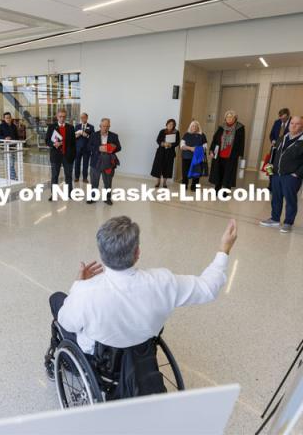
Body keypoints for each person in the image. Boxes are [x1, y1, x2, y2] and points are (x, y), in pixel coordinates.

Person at [46, 215, 237, 368]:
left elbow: (67, 322)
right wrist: (224, 248)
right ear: (137, 253)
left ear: (102, 255)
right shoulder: (162, 281)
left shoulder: (85, 292)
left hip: (101, 359)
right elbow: (208, 288)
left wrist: (78, 284)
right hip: (142, 351)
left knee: (57, 299)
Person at [260, 115, 303, 233]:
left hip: (291, 176)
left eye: (297, 124)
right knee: (276, 198)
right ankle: (275, 219)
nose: (293, 126)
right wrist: (270, 172)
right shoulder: (281, 138)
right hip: (276, 175)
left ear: (302, 126)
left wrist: (297, 174)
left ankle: (288, 222)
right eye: (292, 123)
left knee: (290, 200)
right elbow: (272, 155)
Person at [209, 110, 245, 191]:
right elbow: (215, 139)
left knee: (228, 174)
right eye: (227, 117)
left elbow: (241, 142)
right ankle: (217, 189)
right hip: (219, 154)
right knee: (219, 172)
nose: (229, 118)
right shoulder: (221, 127)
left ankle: (226, 190)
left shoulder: (239, 128)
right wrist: (211, 151)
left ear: (235, 118)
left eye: (231, 117)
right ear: (225, 118)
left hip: (231, 155)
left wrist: (240, 154)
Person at [87, 118, 121, 205]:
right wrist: (98, 148)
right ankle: (93, 197)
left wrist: (112, 148)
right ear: (100, 126)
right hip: (95, 162)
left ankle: (107, 198)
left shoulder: (114, 136)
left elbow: (119, 147)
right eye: (103, 126)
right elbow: (88, 147)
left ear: (109, 126)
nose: (105, 128)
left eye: (107, 126)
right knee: (94, 182)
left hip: (108, 162)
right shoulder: (94, 135)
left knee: (108, 182)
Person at [45, 108, 76, 200]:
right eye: (60, 116)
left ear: (65, 117)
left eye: (64, 116)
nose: (62, 118)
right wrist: (54, 144)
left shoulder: (70, 127)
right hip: (56, 156)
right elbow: (47, 141)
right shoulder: (51, 127)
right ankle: (53, 195)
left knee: (69, 176)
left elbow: (73, 143)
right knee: (54, 176)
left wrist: (73, 155)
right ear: (57, 117)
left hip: (68, 156)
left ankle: (70, 193)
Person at [151, 119, 180, 188]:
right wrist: (163, 143)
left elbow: (177, 142)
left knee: (167, 167)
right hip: (161, 151)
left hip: (170, 152)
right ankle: (158, 182)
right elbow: (158, 140)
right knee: (158, 167)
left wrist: (171, 145)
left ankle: (164, 183)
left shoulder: (176, 132)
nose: (170, 125)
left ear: (174, 126)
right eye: (169, 124)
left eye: (172, 124)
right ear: (166, 124)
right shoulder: (162, 131)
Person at [180, 120, 207, 191]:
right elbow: (182, 146)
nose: (194, 127)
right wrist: (190, 148)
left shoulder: (202, 135)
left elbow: (205, 147)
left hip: (197, 157)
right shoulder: (186, 134)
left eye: (195, 126)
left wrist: (197, 149)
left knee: (196, 173)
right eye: (192, 126)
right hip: (186, 156)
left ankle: (194, 187)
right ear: (190, 127)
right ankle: (184, 186)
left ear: (198, 127)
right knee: (185, 172)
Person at [0, 112, 19, 180]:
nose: (8, 119)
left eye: (9, 118)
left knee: (11, 162)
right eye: (6, 118)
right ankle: (13, 177)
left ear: (11, 118)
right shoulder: (1, 126)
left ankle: (12, 176)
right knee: (11, 162)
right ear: (4, 118)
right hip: (5, 147)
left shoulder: (14, 126)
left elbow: (16, 136)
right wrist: (5, 138)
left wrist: (16, 143)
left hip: (13, 147)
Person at [74, 112, 94, 183]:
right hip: (78, 148)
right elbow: (73, 138)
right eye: (81, 117)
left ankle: (85, 178)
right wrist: (77, 135)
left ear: (87, 118)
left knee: (85, 164)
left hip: (87, 149)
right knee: (77, 163)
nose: (83, 119)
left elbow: (93, 138)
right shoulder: (77, 126)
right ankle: (76, 177)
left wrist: (87, 135)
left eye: (84, 117)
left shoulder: (91, 127)